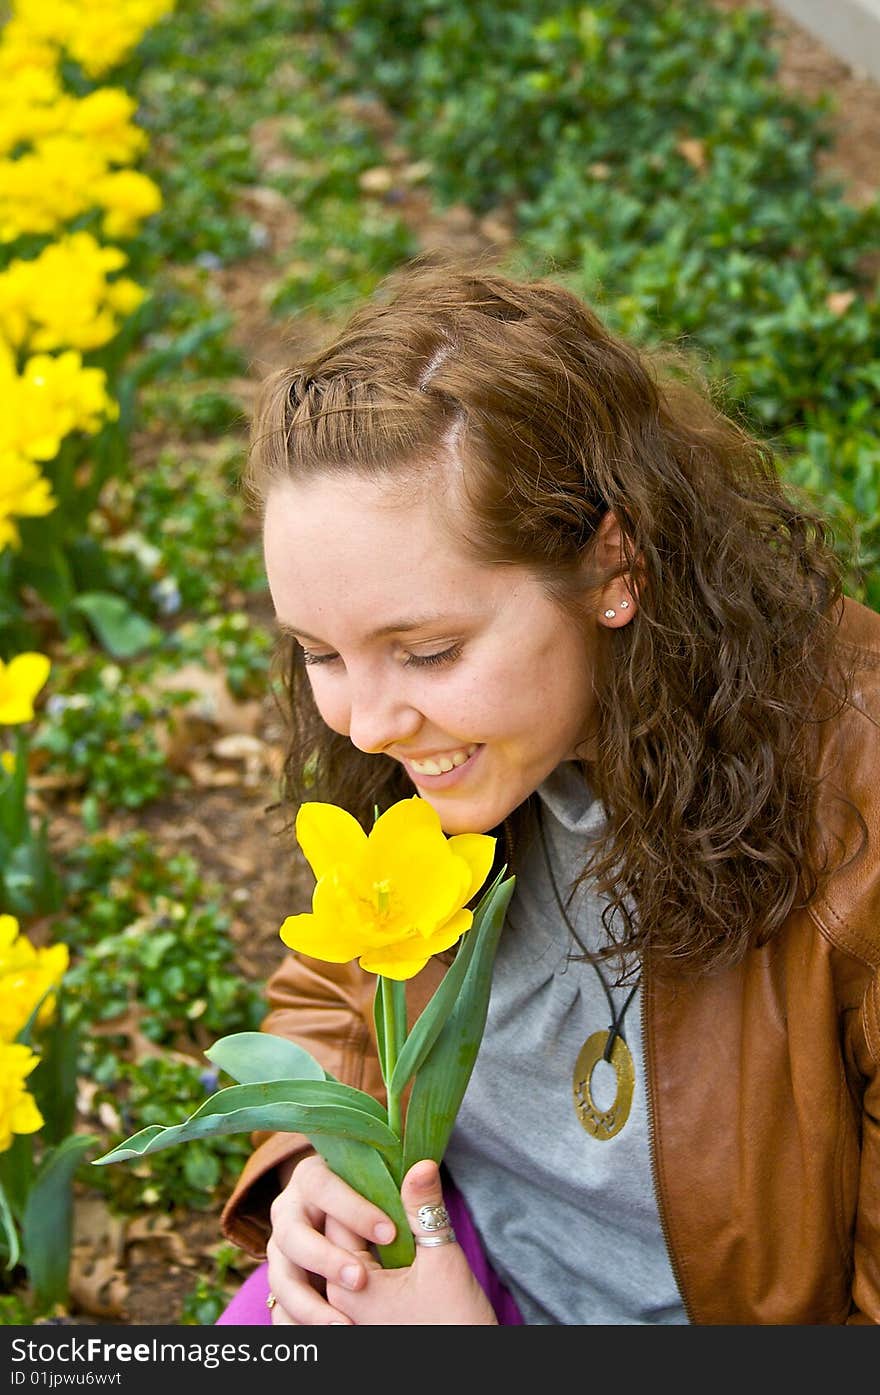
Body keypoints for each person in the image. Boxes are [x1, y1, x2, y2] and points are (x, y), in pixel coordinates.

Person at [216, 258, 880, 1326]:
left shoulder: (857, 831)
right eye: (318, 653)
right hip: (442, 1269)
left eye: (427, 651)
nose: (367, 725)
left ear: (614, 568)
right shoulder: (456, 753)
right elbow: (334, 993)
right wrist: (313, 1170)